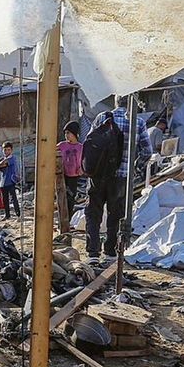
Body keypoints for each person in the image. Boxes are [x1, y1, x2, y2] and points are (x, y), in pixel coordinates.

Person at [85, 100, 153, 261]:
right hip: (122, 177)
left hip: (98, 175)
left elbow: (89, 143)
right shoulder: (138, 122)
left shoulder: (103, 117)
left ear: (115, 101)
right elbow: (147, 151)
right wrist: (135, 168)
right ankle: (110, 252)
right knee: (115, 214)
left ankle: (93, 253)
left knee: (93, 213)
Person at [0, 141, 22, 220]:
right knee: (5, 200)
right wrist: (0, 165)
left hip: (10, 181)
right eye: (5, 150)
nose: (6, 152)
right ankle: (7, 215)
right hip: (3, 182)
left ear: (11, 150)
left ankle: (18, 214)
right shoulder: (3, 158)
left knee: (13, 198)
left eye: (8, 150)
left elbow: (1, 164)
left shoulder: (11, 158)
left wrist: (0, 165)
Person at [58, 122, 83, 205]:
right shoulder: (62, 145)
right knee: (61, 197)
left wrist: (82, 169)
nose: (66, 135)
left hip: (74, 177)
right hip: (62, 176)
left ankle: (70, 216)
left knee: (71, 198)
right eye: (65, 133)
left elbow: (84, 161)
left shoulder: (80, 147)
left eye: (68, 133)